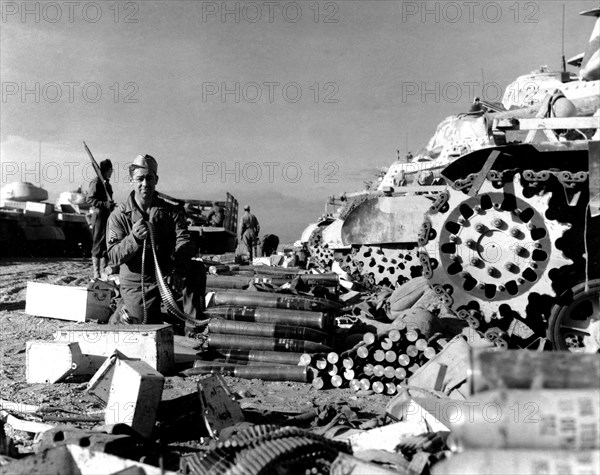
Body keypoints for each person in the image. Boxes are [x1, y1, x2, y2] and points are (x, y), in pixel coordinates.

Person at [106, 154, 206, 324]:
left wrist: (178, 271)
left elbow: (185, 241)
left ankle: (194, 331)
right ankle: (121, 312)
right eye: (140, 179)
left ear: (156, 179)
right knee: (144, 323)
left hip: (166, 277)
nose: (145, 184)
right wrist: (134, 239)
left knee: (195, 269)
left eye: (149, 178)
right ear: (131, 180)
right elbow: (114, 256)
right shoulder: (119, 216)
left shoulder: (171, 212)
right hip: (138, 283)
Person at [86, 159, 114, 280]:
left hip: (106, 216)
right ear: (106, 170)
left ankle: (103, 274)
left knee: (105, 246)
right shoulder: (96, 182)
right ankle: (96, 274)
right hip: (98, 216)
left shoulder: (106, 184)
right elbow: (90, 199)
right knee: (97, 244)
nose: (111, 172)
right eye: (110, 170)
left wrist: (111, 206)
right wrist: (105, 204)